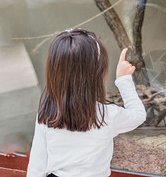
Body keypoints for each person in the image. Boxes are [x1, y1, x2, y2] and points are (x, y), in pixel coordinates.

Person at [26, 29, 146, 177]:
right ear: (98, 73)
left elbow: (36, 167)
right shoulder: (107, 116)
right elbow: (138, 115)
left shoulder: (47, 114)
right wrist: (123, 79)